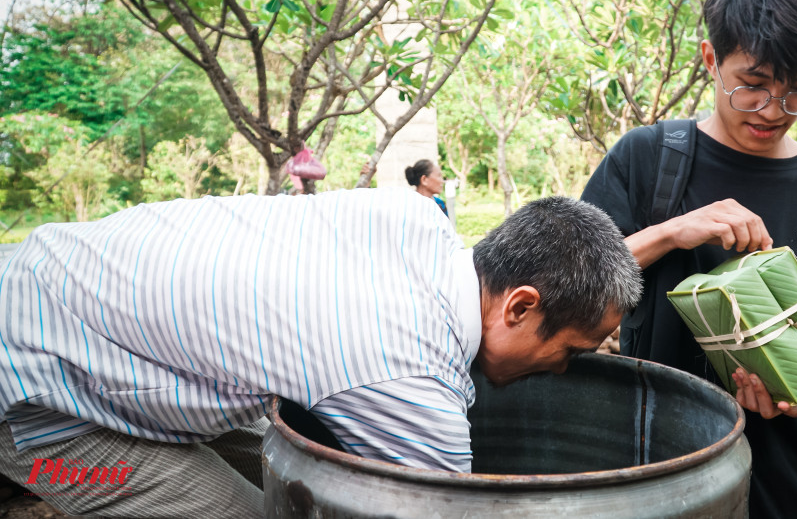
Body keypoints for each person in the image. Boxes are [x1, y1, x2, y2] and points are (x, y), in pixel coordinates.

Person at [0, 189, 640, 518]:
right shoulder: (407, 376)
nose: (564, 368)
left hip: (64, 290)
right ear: (520, 307)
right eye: (569, 350)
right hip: (35, 403)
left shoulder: (414, 219)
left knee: (282, 470)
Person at [581, 0, 797, 518]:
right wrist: (671, 232)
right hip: (667, 471)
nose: (772, 112)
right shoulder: (646, 160)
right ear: (711, 59)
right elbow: (567, 292)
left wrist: (796, 389)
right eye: (754, 86)